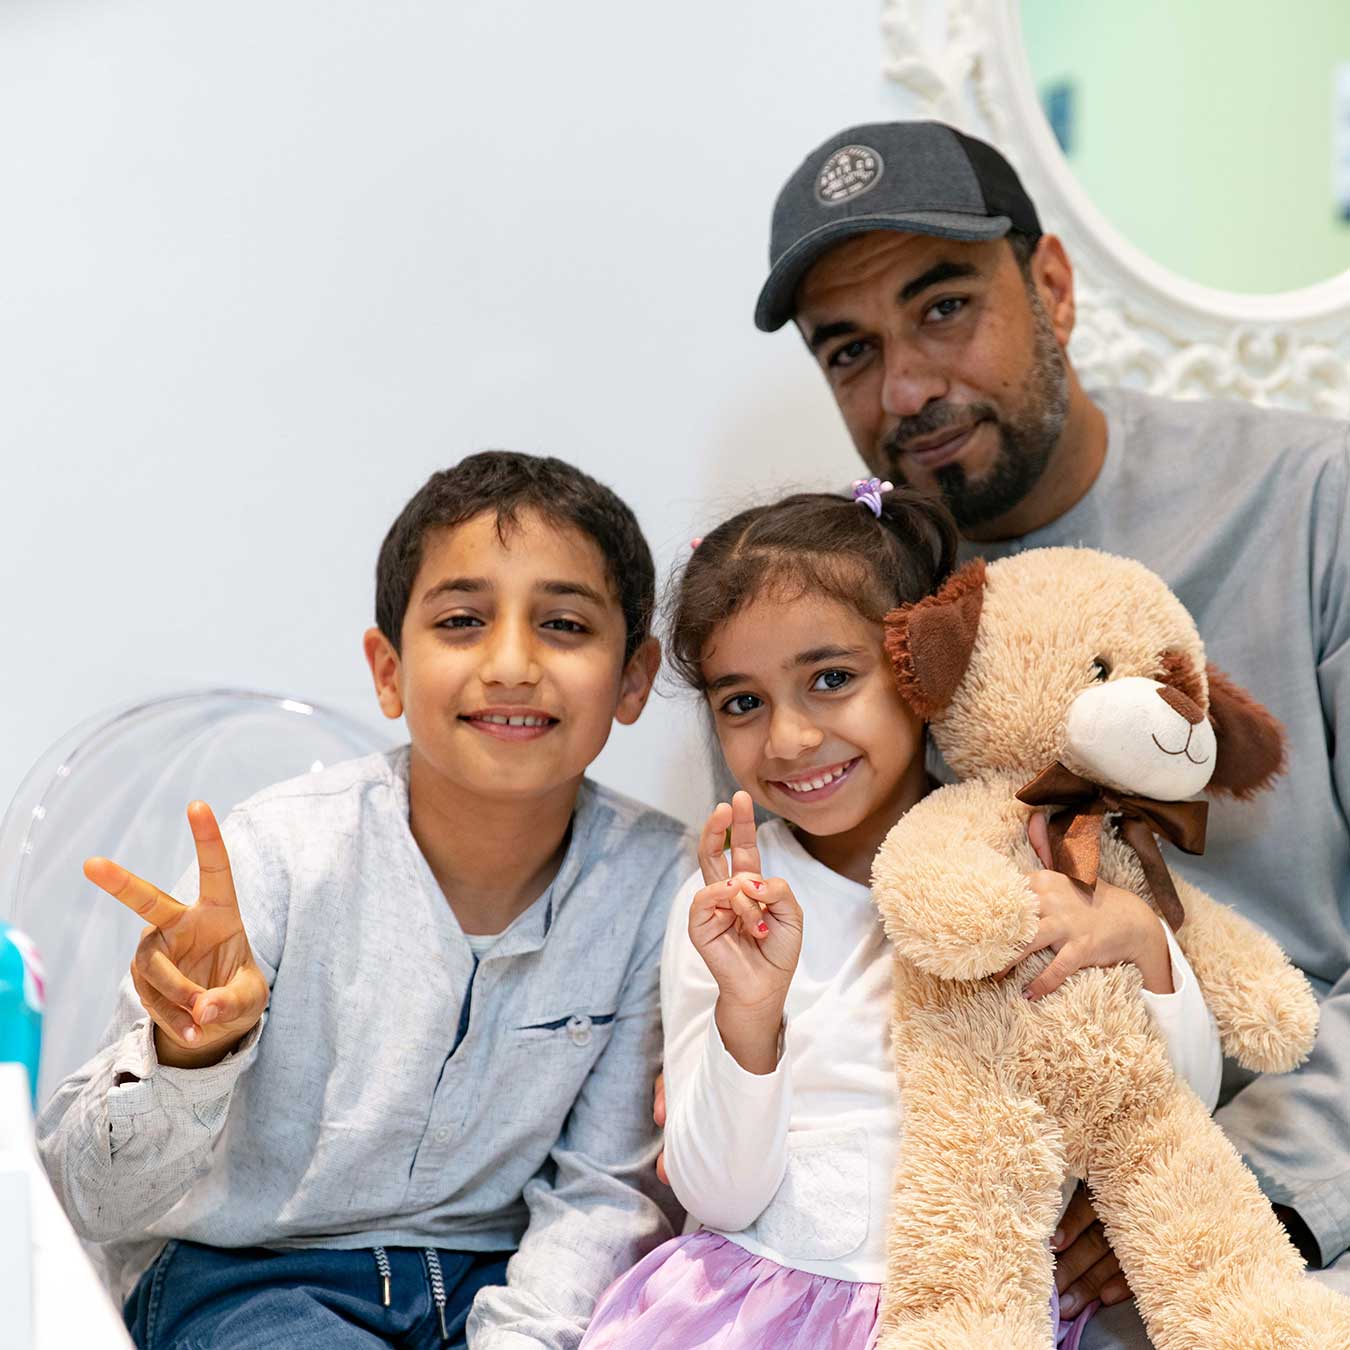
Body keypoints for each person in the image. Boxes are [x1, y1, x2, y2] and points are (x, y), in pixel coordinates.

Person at [752, 119, 1350, 1344]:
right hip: (1002, 1230)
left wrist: (1254, 1186)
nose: (907, 389)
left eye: (943, 309)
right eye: (851, 351)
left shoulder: (1307, 507)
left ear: (1055, 290)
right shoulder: (862, 626)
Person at [37, 452, 693, 1350]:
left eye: (564, 625)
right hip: (254, 1280)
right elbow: (87, 1197)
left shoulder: (660, 882)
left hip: (497, 1283)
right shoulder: (271, 859)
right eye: (463, 621)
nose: (511, 663)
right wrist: (190, 1058)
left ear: (632, 677)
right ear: (388, 670)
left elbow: (603, 1195)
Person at [589, 487, 1221, 1349]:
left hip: (978, 1310)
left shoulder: (1041, 858)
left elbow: (1170, 1112)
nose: (790, 739)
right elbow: (718, 1196)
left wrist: (1147, 948)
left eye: (831, 680)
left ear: (918, 671)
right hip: (753, 1306)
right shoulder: (731, 898)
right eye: (742, 702)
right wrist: (749, 1013)